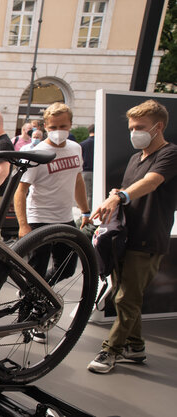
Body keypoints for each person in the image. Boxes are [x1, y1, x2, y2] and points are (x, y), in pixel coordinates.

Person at [87, 100, 177, 374]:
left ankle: (111, 351)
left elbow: (151, 182)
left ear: (158, 127)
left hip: (149, 238)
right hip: (125, 237)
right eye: (131, 127)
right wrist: (113, 199)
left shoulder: (170, 153)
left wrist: (120, 195)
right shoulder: (134, 158)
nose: (133, 132)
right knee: (124, 297)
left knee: (126, 297)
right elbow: (128, 190)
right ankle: (135, 346)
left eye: (139, 127)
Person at [14, 103, 90, 344]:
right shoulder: (38, 154)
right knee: (36, 269)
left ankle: (32, 290)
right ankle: (31, 319)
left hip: (65, 218)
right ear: (45, 127)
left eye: (63, 126)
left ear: (70, 125)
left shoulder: (76, 148)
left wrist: (85, 209)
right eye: (54, 127)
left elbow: (77, 179)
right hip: (39, 219)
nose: (59, 131)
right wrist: (23, 224)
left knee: (67, 267)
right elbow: (21, 191)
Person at [80, 124, 95, 208]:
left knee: (87, 194)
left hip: (85, 172)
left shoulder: (82, 144)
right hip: (96, 171)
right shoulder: (100, 144)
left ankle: (87, 212)